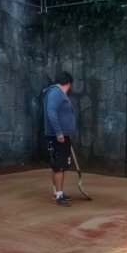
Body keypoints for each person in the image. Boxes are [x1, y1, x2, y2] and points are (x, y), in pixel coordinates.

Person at [43, 71, 76, 207]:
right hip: (57, 136)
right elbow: (51, 112)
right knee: (59, 167)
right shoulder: (56, 93)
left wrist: (66, 133)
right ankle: (58, 195)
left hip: (62, 135)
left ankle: (58, 192)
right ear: (68, 83)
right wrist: (59, 133)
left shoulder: (58, 93)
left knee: (59, 166)